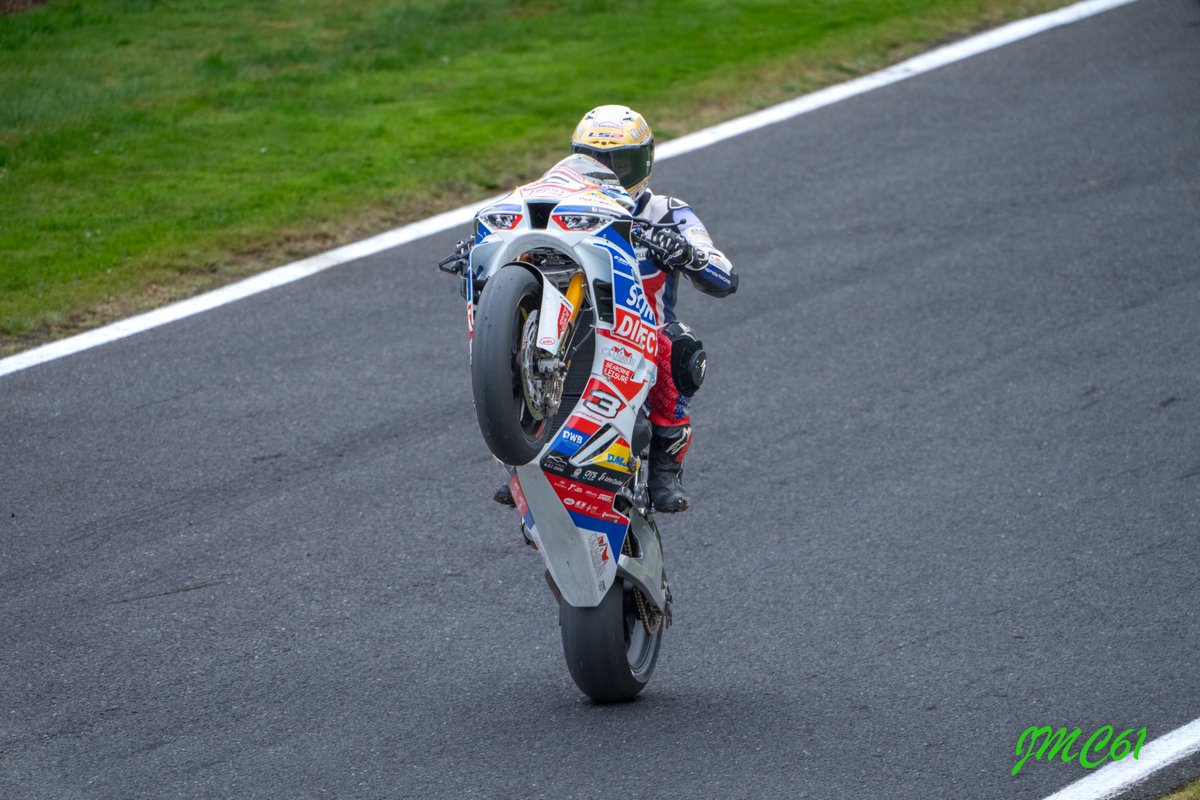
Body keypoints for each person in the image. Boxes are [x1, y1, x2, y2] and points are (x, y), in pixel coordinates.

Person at [444, 104, 738, 512]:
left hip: (640, 345)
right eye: (595, 160)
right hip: (573, 333)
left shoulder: (666, 212)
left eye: (620, 163)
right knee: (502, 338)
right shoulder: (563, 207)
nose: (608, 172)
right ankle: (519, 456)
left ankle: (665, 471)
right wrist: (478, 254)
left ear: (644, 162)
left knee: (677, 344)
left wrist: (687, 252)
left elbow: (725, 275)